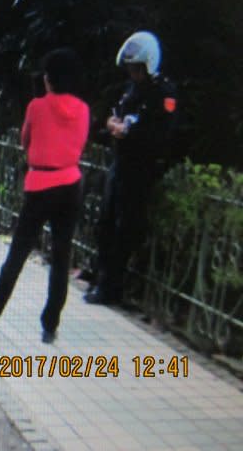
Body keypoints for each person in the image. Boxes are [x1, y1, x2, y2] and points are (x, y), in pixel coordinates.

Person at [0, 49, 90, 344]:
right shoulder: (84, 110)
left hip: (40, 186)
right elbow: (81, 142)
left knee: (18, 254)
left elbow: (26, 139)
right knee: (61, 259)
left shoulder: (37, 107)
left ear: (48, 79)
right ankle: (50, 327)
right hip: (70, 185)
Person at [85, 31, 177, 305]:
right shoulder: (130, 90)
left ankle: (113, 287)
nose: (132, 73)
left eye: (136, 68)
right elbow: (112, 120)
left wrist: (130, 132)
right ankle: (101, 279)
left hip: (140, 170)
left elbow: (160, 132)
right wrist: (113, 126)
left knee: (124, 229)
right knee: (106, 223)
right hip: (120, 165)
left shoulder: (163, 92)